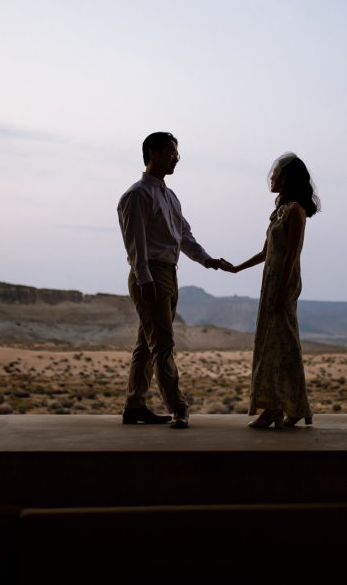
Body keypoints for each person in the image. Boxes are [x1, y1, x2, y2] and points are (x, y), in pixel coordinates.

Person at [117, 132, 228, 429]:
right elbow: (135, 244)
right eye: (170, 152)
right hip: (151, 275)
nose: (176, 158)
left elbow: (184, 236)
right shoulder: (137, 195)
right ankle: (178, 406)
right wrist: (145, 278)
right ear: (152, 153)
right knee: (163, 344)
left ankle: (134, 406)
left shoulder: (169, 196)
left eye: (177, 153)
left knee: (147, 344)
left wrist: (207, 260)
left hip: (168, 273)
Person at [224, 153, 320, 428]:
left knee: (284, 346)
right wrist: (237, 269)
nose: (271, 177)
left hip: (283, 285)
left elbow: (291, 255)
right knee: (271, 346)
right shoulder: (279, 212)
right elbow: (267, 252)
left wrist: (281, 293)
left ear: (286, 178)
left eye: (275, 173)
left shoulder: (295, 212)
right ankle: (277, 406)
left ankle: (285, 407)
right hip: (270, 284)